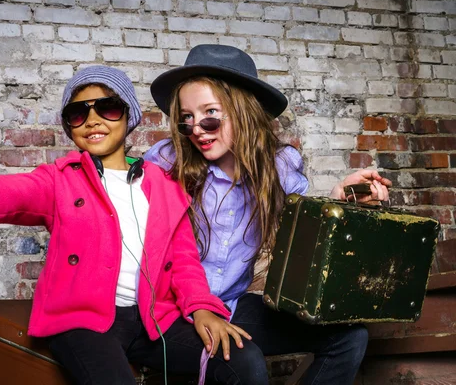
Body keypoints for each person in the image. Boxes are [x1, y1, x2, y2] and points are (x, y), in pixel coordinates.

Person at [0, 66, 270, 385]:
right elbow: (14, 192)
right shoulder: (62, 180)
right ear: (69, 127)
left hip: (155, 319)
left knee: (244, 361)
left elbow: (183, 259)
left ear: (128, 116)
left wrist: (202, 309)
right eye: (78, 113)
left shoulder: (165, 184)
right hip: (86, 321)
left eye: (107, 108)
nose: (92, 120)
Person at [145, 44, 392, 384]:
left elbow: (299, 227)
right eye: (186, 119)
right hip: (178, 310)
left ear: (244, 111)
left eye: (210, 115)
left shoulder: (279, 166)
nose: (197, 129)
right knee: (248, 364)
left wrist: (341, 198)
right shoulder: (166, 162)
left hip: (238, 304)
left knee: (349, 338)